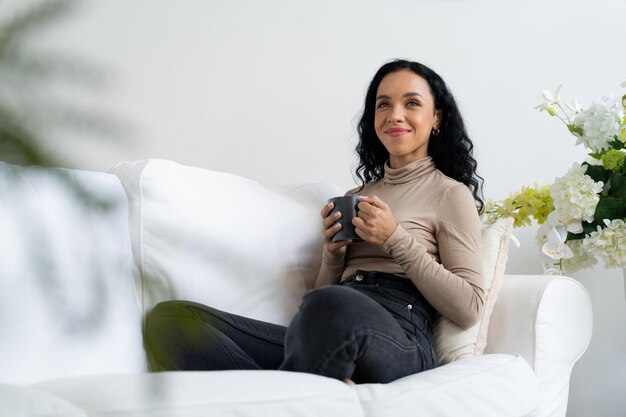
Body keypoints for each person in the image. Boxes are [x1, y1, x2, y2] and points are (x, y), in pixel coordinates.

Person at [144, 59, 485, 384]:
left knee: (332, 306)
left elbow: (469, 307)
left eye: (411, 103)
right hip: (329, 328)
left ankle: (295, 388)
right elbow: (321, 299)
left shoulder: (449, 194)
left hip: (400, 336)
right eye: (383, 104)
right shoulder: (357, 194)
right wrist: (333, 253)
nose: (395, 115)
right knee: (172, 320)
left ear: (437, 117)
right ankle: (304, 390)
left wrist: (395, 237)